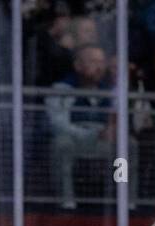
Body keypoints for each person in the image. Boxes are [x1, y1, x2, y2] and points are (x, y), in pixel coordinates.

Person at [46, 44, 114, 209]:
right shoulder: (61, 89)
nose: (99, 67)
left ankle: (123, 197)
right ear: (78, 65)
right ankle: (66, 201)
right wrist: (90, 135)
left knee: (127, 147)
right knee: (62, 144)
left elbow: (118, 119)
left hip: (102, 140)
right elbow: (58, 124)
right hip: (75, 138)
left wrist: (114, 129)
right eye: (93, 62)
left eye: (101, 62)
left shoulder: (111, 91)